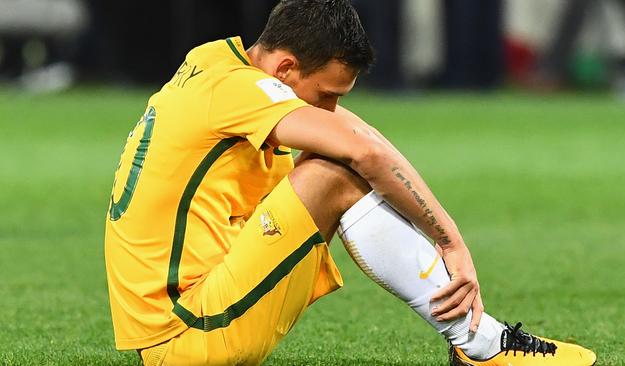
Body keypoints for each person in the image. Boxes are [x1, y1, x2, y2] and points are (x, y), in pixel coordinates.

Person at [104, 1, 597, 365]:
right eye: (327, 95)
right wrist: (451, 242)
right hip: (188, 334)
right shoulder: (239, 89)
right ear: (285, 68)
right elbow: (360, 151)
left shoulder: (219, 62)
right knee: (333, 173)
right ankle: (482, 347)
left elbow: (359, 134)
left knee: (334, 153)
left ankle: (477, 344)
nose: (332, 109)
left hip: (184, 316)